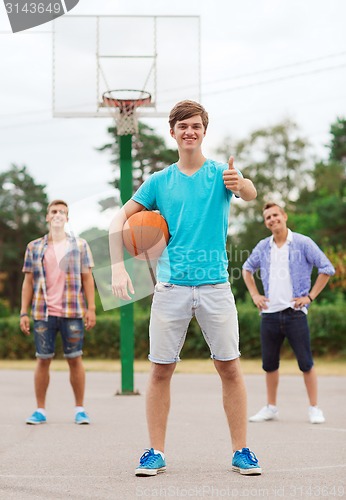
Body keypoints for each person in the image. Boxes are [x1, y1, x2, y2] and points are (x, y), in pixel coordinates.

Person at [109, 100, 262, 476]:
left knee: (229, 367)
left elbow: (250, 192)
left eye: (196, 125)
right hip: (171, 288)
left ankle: (242, 451)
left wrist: (239, 183)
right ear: (173, 132)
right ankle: (155, 452)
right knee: (161, 371)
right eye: (183, 126)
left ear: (204, 131)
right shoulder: (159, 182)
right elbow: (118, 220)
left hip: (214, 287)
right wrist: (117, 268)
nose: (189, 131)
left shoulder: (220, 174)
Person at [242, 202, 335, 424]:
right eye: (268, 218)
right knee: (270, 364)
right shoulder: (264, 246)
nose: (272, 219)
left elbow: (326, 268)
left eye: (275, 215)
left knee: (306, 363)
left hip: (295, 313)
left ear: (284, 216)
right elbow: (247, 268)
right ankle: (271, 407)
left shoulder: (302, 243)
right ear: (266, 223)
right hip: (269, 315)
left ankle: (314, 408)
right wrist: (255, 295)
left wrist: (310, 297)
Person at [20, 199, 96, 425]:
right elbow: (28, 282)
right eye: (54, 211)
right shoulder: (34, 247)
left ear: (67, 218)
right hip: (43, 313)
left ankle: (80, 409)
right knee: (43, 359)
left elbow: (87, 278)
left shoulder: (80, 245)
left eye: (62, 211)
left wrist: (90, 308)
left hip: (72, 311)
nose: (57, 214)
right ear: (47, 216)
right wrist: (23, 312)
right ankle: (40, 410)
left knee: (75, 359)